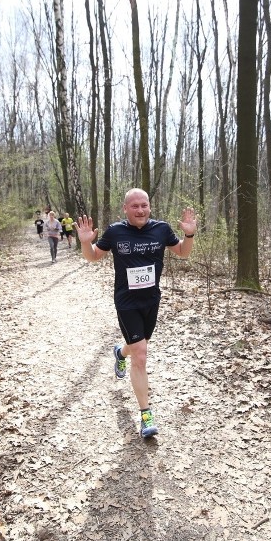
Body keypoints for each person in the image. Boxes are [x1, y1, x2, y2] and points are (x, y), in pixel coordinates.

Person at [76, 188, 196, 438]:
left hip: (151, 300)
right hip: (126, 302)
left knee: (136, 346)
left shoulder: (161, 229)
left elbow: (183, 252)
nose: (141, 210)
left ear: (149, 207)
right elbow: (93, 258)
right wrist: (86, 241)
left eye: (144, 205)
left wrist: (190, 234)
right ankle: (146, 415)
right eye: (135, 206)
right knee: (141, 354)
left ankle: (120, 352)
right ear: (125, 209)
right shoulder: (116, 231)